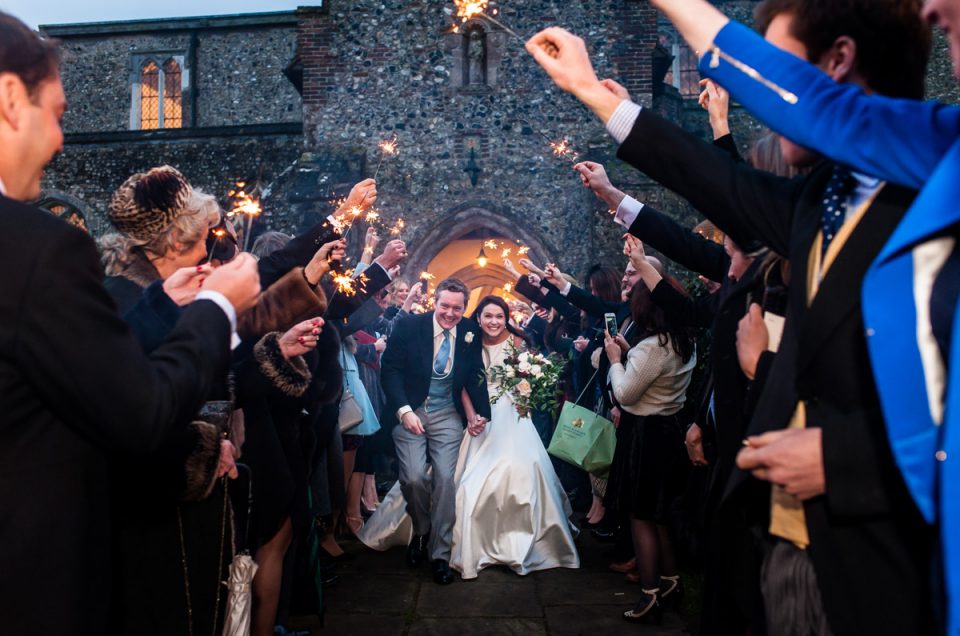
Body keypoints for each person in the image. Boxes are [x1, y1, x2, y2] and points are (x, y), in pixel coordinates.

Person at [523, 2, 938, 633]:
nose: (757, 103)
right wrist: (593, 96)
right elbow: (719, 184)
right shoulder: (820, 204)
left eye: (771, 68)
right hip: (778, 548)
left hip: (884, 572)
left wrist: (845, 458)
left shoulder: (931, 200)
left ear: (835, 66)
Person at [0, 12, 260, 633]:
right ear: (12, 99)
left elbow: (73, 362)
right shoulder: (34, 249)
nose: (63, 139)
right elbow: (138, 411)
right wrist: (215, 308)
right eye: (58, 114)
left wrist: (162, 305)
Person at [451, 295, 580, 579]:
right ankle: (479, 541)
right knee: (472, 484)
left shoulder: (519, 342)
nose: (493, 322)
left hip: (514, 412)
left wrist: (527, 401)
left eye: (499, 316)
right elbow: (460, 384)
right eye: (488, 316)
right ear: (479, 317)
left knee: (523, 472)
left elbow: (528, 382)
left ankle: (523, 539)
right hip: (482, 414)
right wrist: (471, 416)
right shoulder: (469, 343)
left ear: (506, 317)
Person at [379, 277, 490, 585]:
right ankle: (421, 529)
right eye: (445, 306)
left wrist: (478, 414)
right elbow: (389, 371)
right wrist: (403, 411)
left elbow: (473, 376)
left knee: (444, 478)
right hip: (411, 410)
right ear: (435, 303)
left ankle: (439, 554)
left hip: (447, 414)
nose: (450, 314)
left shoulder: (469, 331)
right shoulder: (410, 326)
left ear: (464, 308)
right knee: (413, 478)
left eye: (457, 308)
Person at [602, 275, 696, 623]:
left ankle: (650, 593)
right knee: (660, 515)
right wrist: (630, 353)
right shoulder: (685, 340)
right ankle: (672, 582)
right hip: (669, 430)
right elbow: (656, 375)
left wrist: (615, 359)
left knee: (641, 515)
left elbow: (626, 395)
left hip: (644, 436)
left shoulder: (651, 347)